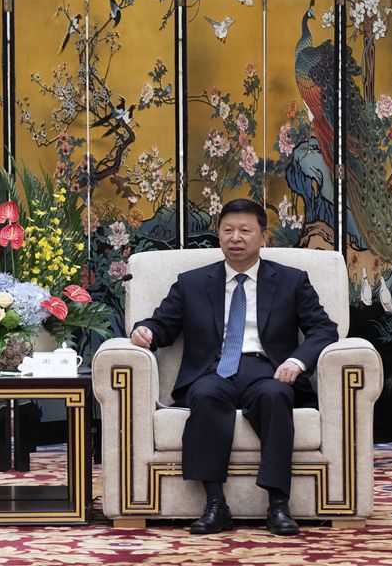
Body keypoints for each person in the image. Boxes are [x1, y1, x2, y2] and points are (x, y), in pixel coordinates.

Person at [130, 199, 337, 536]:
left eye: (245, 231)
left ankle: (278, 505)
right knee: (205, 396)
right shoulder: (192, 282)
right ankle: (215, 505)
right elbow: (162, 324)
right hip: (214, 371)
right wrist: (145, 331)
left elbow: (324, 329)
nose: (235, 238)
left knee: (275, 397)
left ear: (263, 237)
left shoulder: (291, 280)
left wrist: (296, 361)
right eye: (227, 230)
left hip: (267, 369)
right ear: (219, 235)